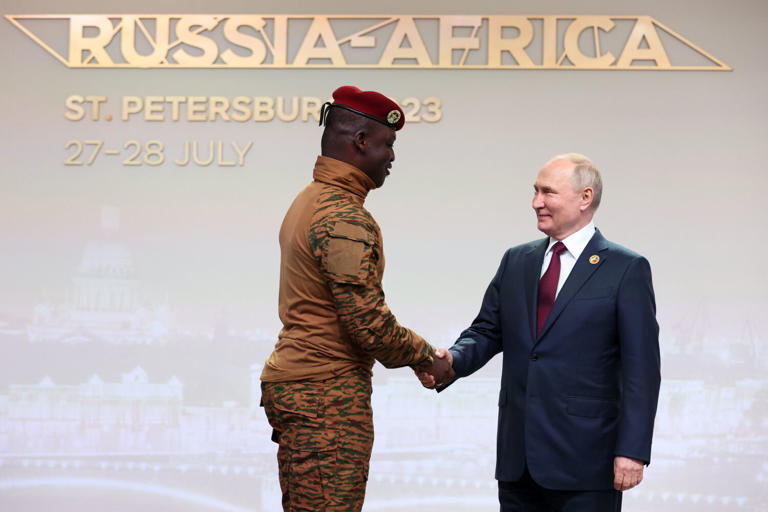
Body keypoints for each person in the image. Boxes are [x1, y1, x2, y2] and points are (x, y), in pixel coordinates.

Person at [419, 154, 661, 511]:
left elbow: (642, 370)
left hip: (587, 463)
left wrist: (633, 450)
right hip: (518, 462)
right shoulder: (516, 261)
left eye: (548, 192)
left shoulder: (626, 268)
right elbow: (487, 331)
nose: (536, 202)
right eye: (535, 191)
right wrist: (451, 362)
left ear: (585, 197)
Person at [260, 85, 451, 512]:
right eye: (388, 143)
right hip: (325, 396)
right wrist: (426, 356)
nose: (392, 156)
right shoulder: (343, 216)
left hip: (306, 387)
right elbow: (368, 324)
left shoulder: (311, 200)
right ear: (361, 141)